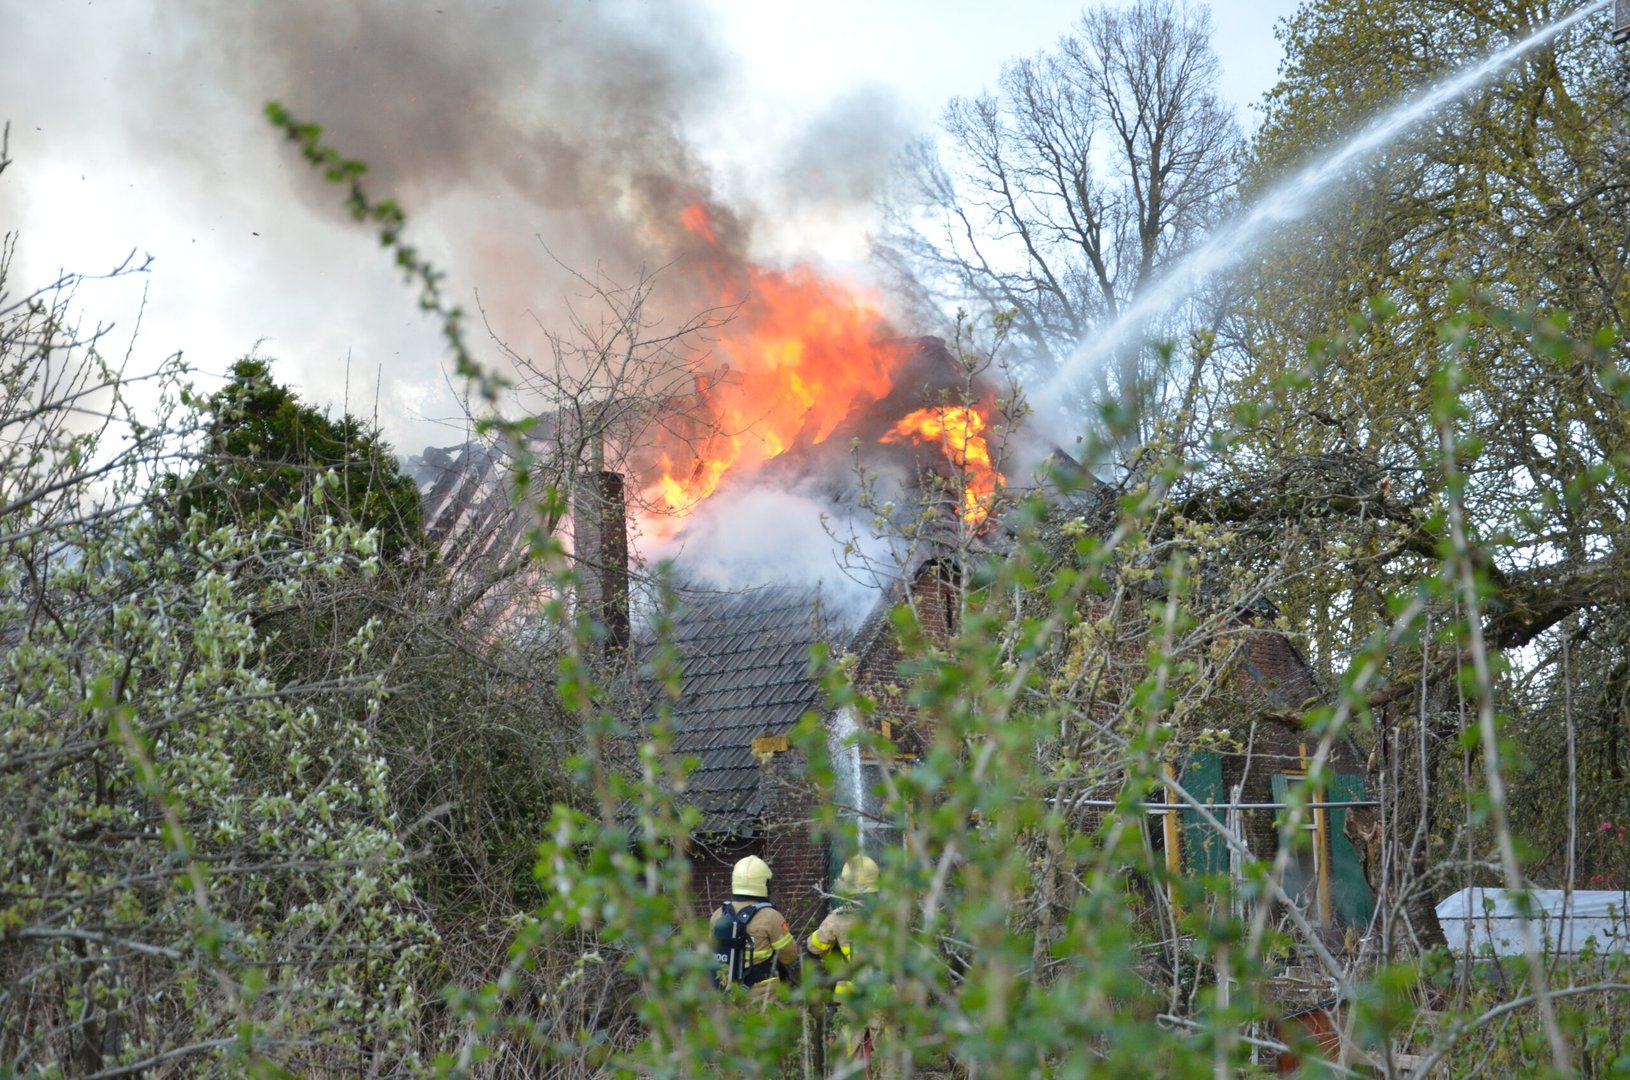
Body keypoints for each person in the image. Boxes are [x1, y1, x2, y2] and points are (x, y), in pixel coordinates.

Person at [807, 854, 890, 1078]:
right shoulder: (888, 914)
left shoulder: (839, 917)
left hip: (852, 998)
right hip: (884, 995)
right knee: (889, 1053)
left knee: (850, 1053)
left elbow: (814, 946)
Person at [712, 855, 800, 1004]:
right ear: (764, 883)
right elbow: (789, 956)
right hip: (761, 997)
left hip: (724, 994)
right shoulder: (770, 916)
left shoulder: (718, 914)